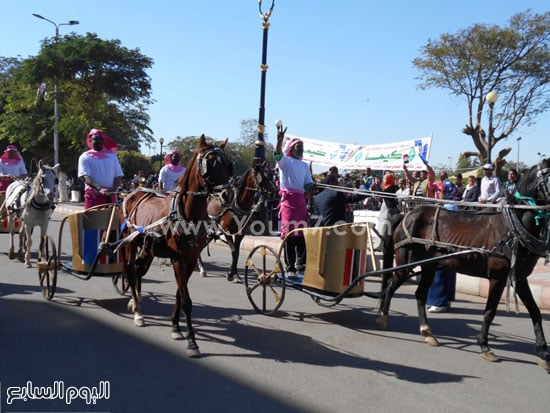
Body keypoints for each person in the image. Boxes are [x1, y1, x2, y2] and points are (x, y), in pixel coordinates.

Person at [274, 134, 314, 279]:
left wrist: (316, 189)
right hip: (288, 202)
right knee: (290, 236)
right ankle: (289, 267)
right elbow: (277, 154)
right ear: (291, 148)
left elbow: (308, 185)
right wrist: (279, 141)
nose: (301, 149)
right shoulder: (285, 161)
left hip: (301, 202)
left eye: (302, 147)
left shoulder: (304, 165)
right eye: (298, 147)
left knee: (302, 236)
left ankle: (300, 266)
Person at [78, 128, 124, 210]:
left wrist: (113, 190)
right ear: (90, 141)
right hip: (93, 197)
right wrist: (100, 189)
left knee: (113, 221)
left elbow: (118, 175)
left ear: (103, 141)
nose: (98, 141)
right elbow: (86, 178)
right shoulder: (85, 157)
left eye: (100, 139)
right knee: (92, 221)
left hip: (110, 197)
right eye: (95, 139)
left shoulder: (112, 156)